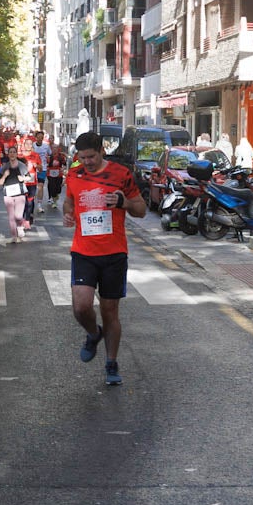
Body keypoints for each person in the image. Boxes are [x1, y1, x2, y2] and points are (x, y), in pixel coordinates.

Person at [63, 130, 146, 387]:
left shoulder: (121, 175)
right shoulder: (74, 173)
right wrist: (68, 214)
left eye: (91, 157)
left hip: (114, 253)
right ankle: (92, 333)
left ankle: (111, 363)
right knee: (81, 306)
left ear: (102, 150)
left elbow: (141, 209)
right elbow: (69, 202)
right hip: (83, 251)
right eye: (82, 157)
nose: (86, 162)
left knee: (110, 311)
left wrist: (124, 203)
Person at [0, 149, 32, 244]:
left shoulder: (21, 165)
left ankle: (21, 225)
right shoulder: (5, 166)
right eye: (10, 152)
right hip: (8, 194)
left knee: (18, 216)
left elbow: (29, 177)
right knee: (11, 217)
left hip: (20, 194)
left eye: (14, 152)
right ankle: (14, 236)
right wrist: (5, 176)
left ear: (16, 154)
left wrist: (23, 178)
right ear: (8, 154)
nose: (12, 154)